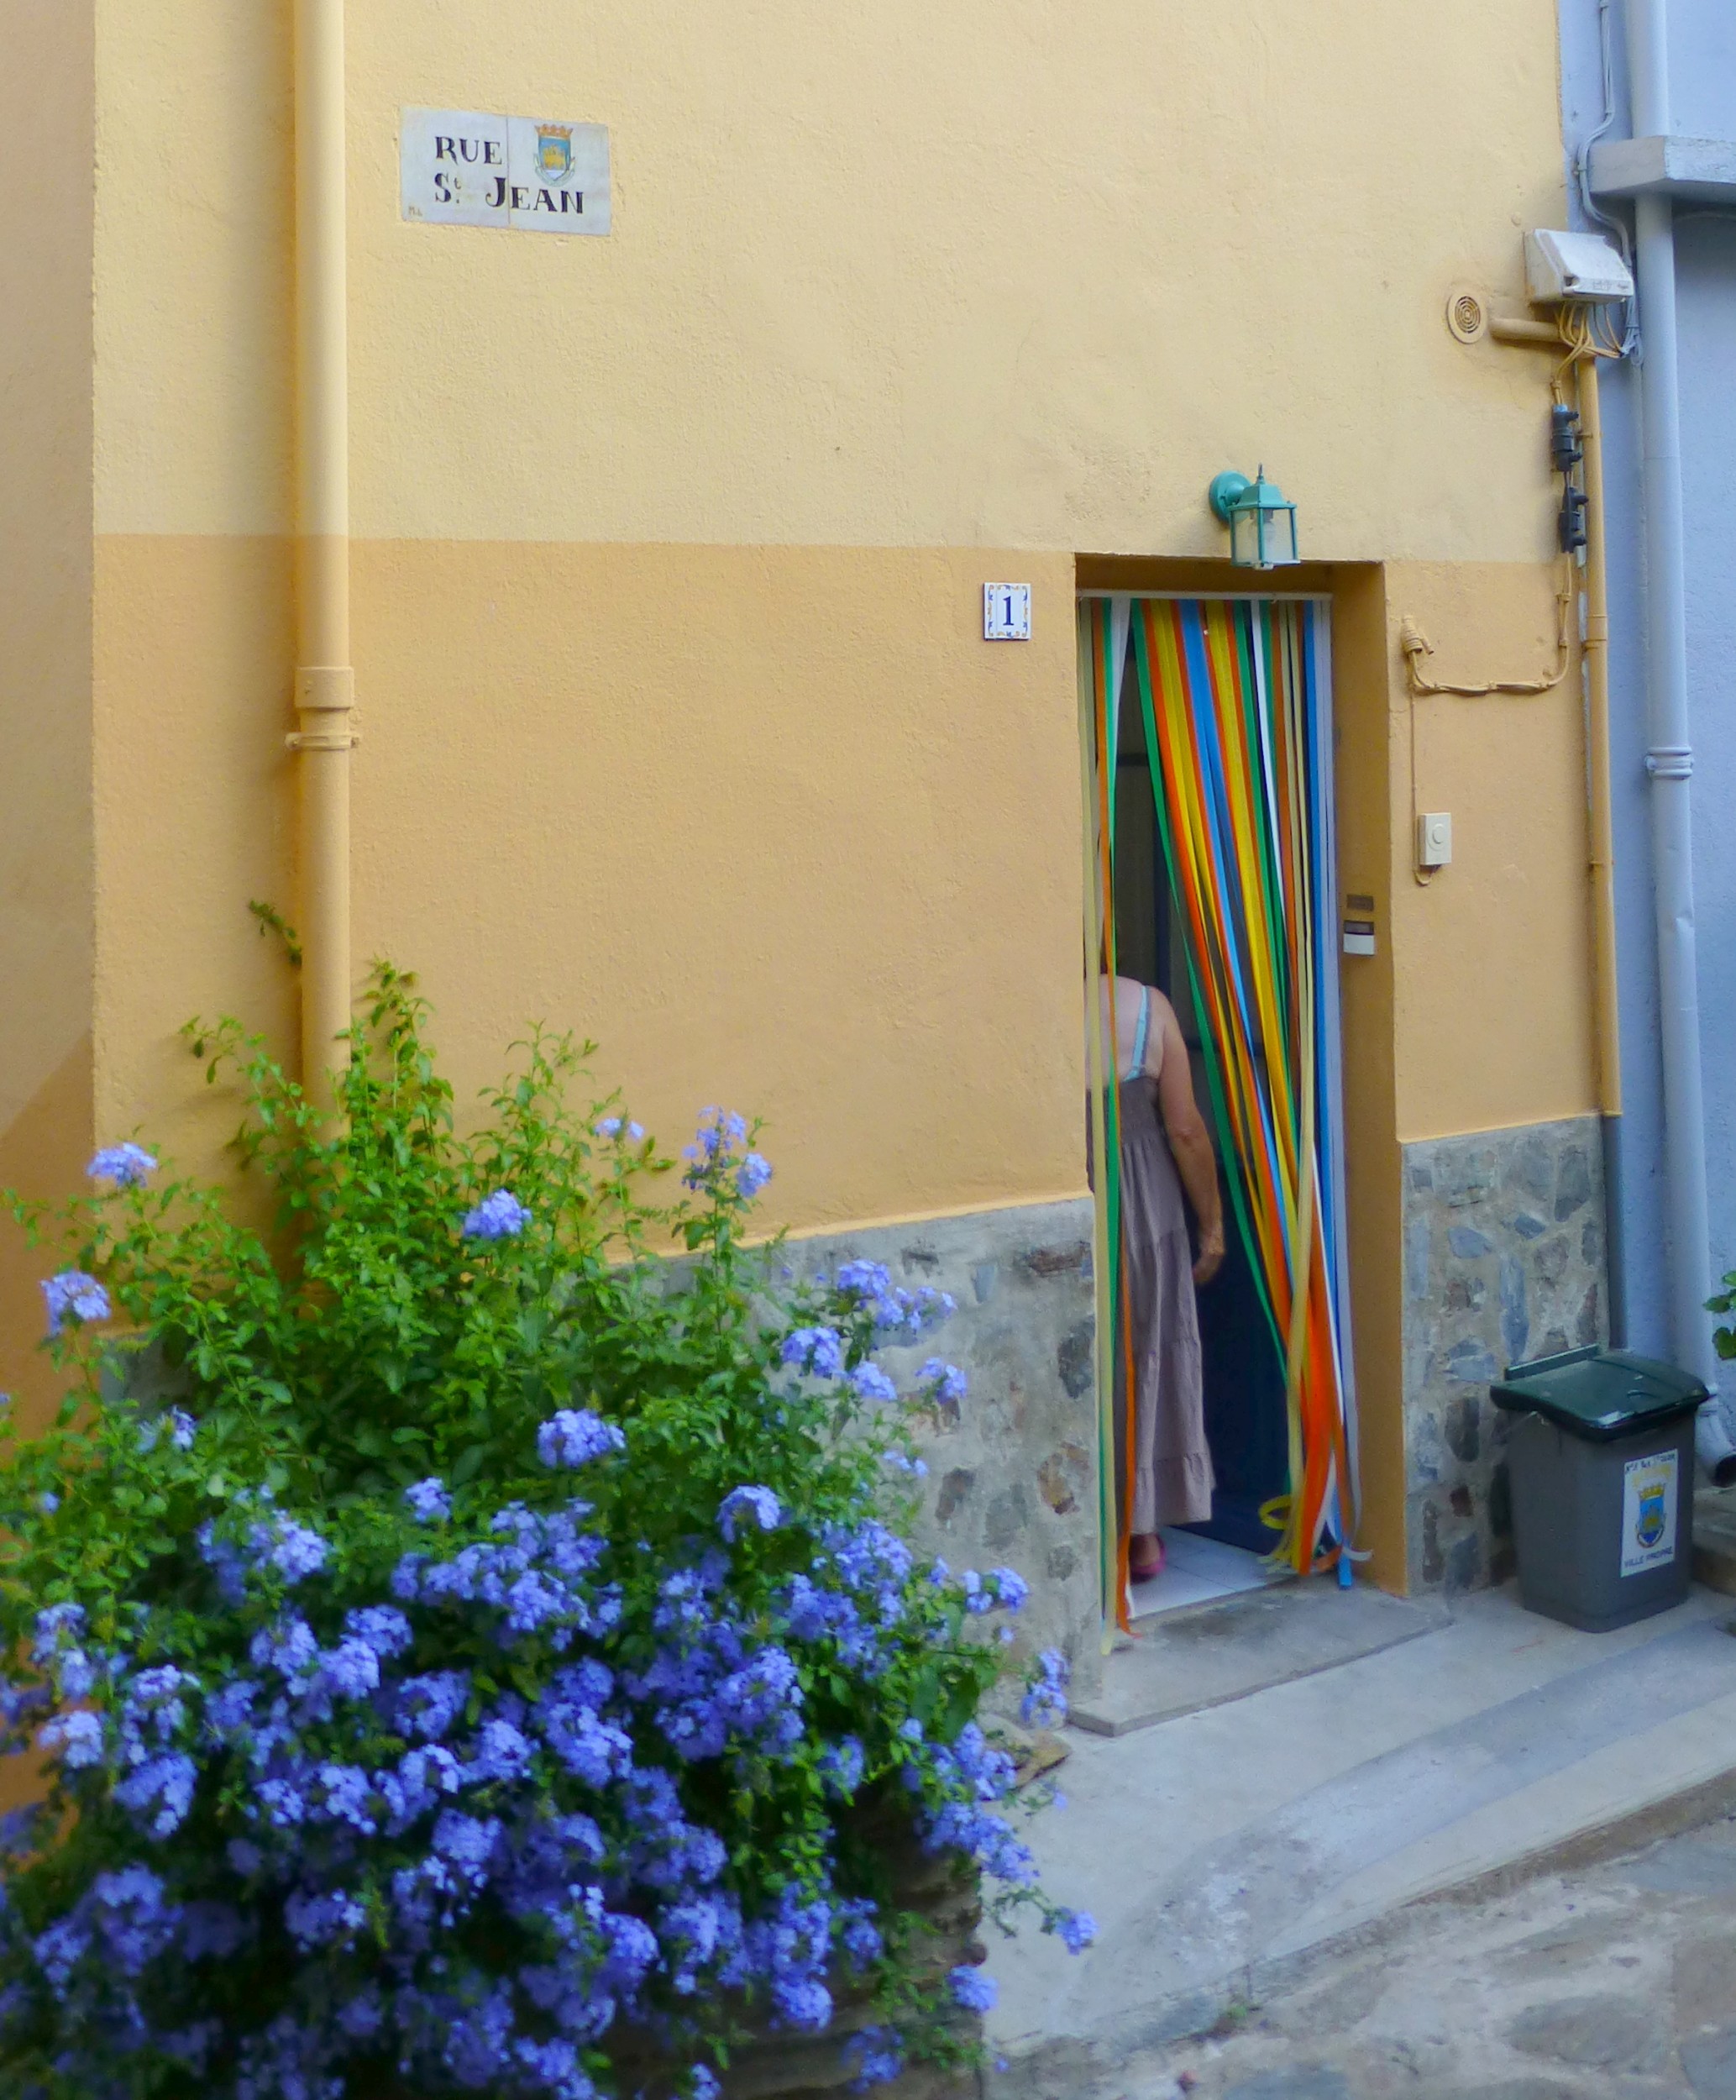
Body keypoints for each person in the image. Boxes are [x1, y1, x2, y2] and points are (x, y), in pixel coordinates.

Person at [1091, 974, 1224, 1581]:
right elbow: (1185, 1129)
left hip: (1075, 1197)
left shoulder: (1026, 1008)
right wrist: (1212, 1226)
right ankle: (1140, 1534)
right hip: (1142, 1204)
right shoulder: (1146, 1005)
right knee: (1146, 1352)